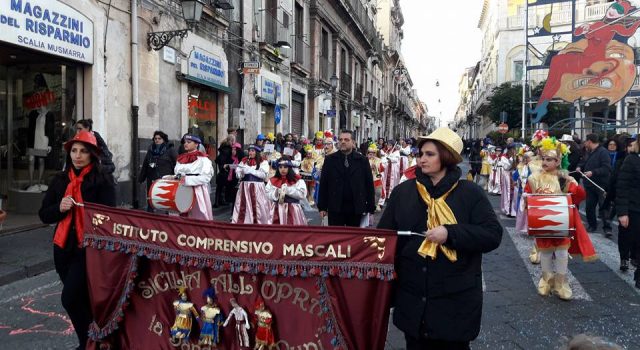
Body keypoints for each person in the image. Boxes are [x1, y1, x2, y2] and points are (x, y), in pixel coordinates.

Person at [377, 127, 502, 349]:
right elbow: (385, 237)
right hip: (413, 301)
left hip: (455, 304)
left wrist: (451, 233)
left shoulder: (469, 193)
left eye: (429, 154)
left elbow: (492, 235)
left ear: (446, 157)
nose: (421, 159)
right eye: (420, 154)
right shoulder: (403, 192)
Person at [39, 131, 116, 349]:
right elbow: (44, 214)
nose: (78, 155)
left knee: (69, 298)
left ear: (92, 154)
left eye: (83, 151)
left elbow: (111, 218)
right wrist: (59, 208)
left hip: (89, 250)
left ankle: (87, 343)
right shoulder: (60, 180)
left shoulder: (103, 180)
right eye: (74, 150)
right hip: (62, 249)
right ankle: (97, 340)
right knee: (80, 299)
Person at [525, 137, 597, 300]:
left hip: (561, 222)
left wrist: (575, 186)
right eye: (543, 158)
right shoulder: (534, 178)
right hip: (543, 221)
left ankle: (561, 284)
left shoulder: (565, 178)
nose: (544, 162)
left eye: (549, 159)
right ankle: (546, 281)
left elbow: (579, 197)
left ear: (558, 161)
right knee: (545, 252)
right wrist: (526, 199)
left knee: (562, 252)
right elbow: (528, 196)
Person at [317, 130, 376, 227]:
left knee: (354, 238)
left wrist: (370, 207)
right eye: (340, 140)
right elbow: (324, 184)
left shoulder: (362, 161)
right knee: (336, 238)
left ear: (353, 142)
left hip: (356, 207)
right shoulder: (330, 160)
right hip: (335, 206)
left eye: (346, 139)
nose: (343, 142)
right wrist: (322, 207)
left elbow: (369, 184)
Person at [172, 134, 214, 220]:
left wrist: (187, 180)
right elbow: (177, 174)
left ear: (196, 144)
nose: (185, 144)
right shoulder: (180, 158)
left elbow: (206, 177)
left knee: (197, 215)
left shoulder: (203, 159)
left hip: (197, 191)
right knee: (180, 213)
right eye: (185, 142)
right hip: (181, 190)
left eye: (189, 142)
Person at [616, 135, 640, 285]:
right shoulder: (632, 159)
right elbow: (622, 187)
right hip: (635, 208)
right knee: (635, 241)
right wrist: (622, 212)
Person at [578, 133, 612, 235]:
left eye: (585, 141)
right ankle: (592, 225)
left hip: (601, 185)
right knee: (589, 207)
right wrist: (580, 166)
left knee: (604, 207)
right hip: (589, 185)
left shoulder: (603, 152)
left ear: (589, 141)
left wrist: (593, 172)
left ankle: (607, 228)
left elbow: (606, 168)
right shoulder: (589, 152)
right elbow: (584, 162)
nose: (584, 143)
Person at [139, 130, 177, 212]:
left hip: (165, 179)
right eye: (155, 138)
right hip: (152, 178)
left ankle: (164, 215)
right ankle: (150, 214)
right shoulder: (150, 150)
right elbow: (145, 164)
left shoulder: (170, 150)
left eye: (159, 138)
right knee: (151, 197)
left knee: (163, 198)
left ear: (164, 139)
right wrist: (141, 178)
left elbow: (176, 164)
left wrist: (176, 176)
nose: (157, 140)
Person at [232, 145, 271, 224]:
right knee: (244, 205)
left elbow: (263, 175)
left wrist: (250, 170)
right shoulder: (244, 160)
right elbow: (238, 174)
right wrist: (241, 172)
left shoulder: (263, 161)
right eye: (249, 151)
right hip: (245, 186)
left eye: (253, 151)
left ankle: (259, 221)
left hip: (257, 186)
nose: (250, 152)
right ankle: (245, 221)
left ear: (257, 152)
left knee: (258, 205)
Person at [265, 158, 308, 225]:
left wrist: (287, 190)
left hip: (293, 210)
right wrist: (276, 193)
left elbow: (302, 194)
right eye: (280, 167)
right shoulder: (272, 180)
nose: (282, 169)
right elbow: (267, 193)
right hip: (277, 209)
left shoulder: (298, 180)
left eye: (285, 167)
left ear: (290, 168)